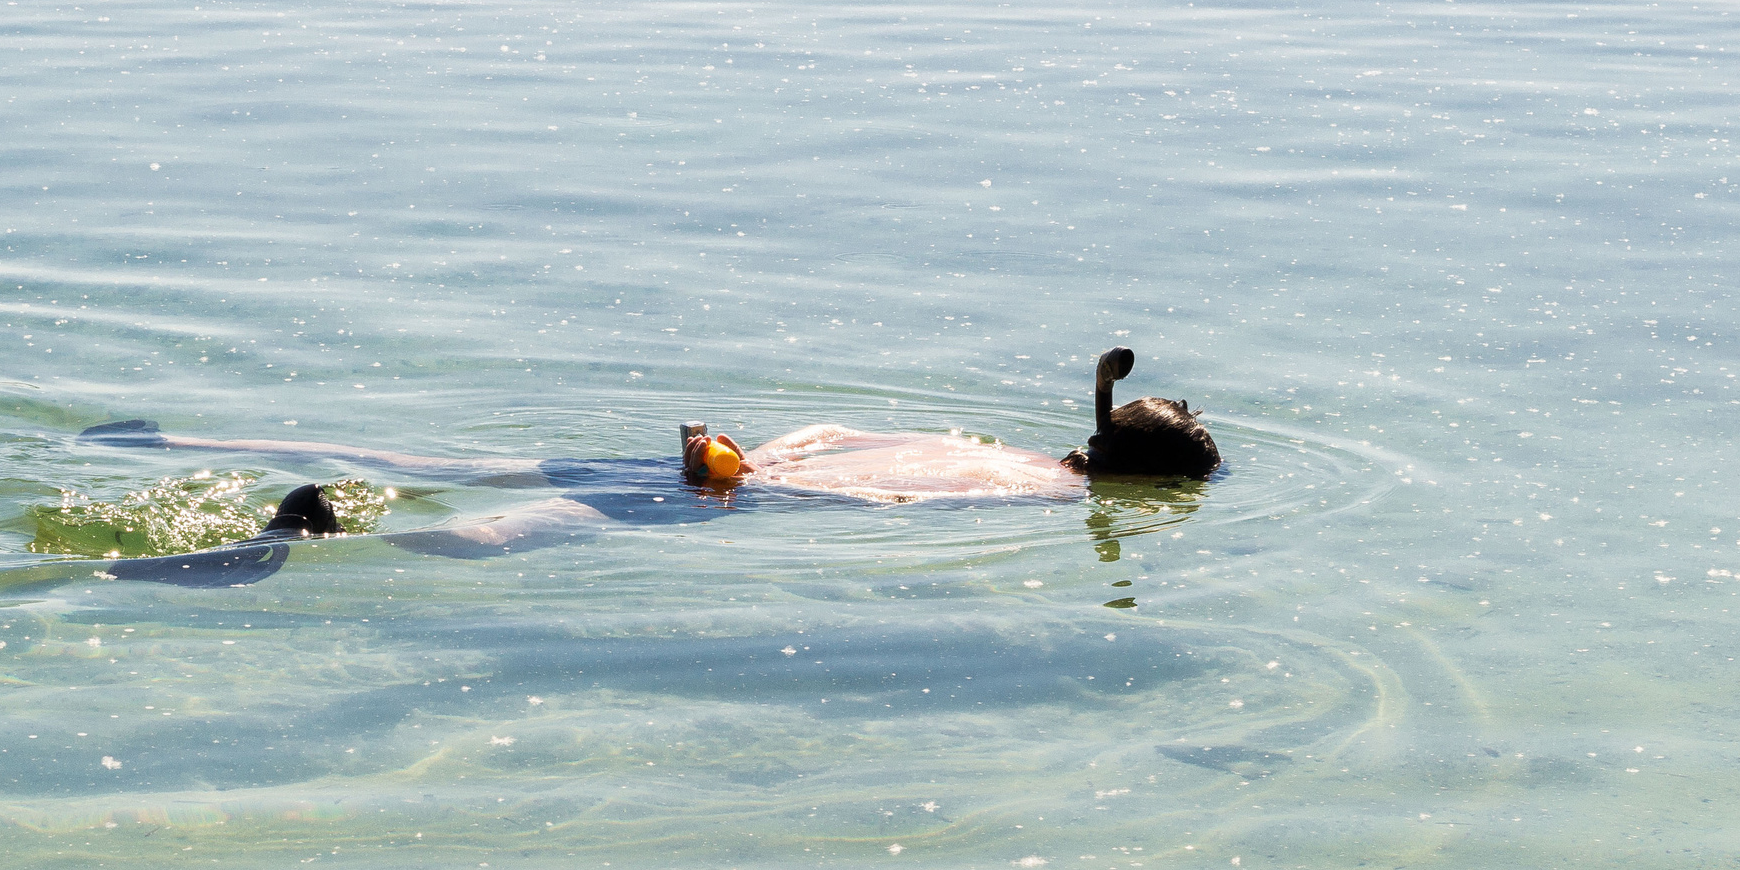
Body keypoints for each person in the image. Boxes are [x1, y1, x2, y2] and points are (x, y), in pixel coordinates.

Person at [78, 345, 1218, 582]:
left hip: (730, 460)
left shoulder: (995, 441)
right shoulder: (1025, 486)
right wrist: (738, 488)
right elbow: (867, 491)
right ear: (1142, 485)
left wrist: (743, 458)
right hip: (724, 494)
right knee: (499, 536)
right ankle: (304, 546)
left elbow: (833, 440)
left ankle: (174, 442)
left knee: (444, 460)